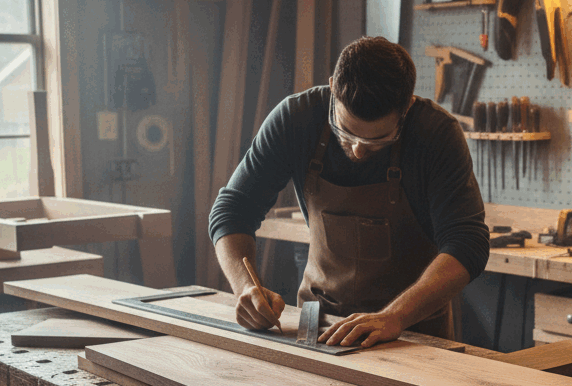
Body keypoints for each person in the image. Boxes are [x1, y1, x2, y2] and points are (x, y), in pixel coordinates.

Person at [209, 36, 489, 348]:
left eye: (377, 141)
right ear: (332, 87)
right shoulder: (296, 119)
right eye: (344, 131)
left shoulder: (436, 134)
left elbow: (468, 242)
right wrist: (245, 287)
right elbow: (233, 209)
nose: (357, 150)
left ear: (408, 105)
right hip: (320, 325)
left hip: (411, 330)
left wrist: (395, 316)